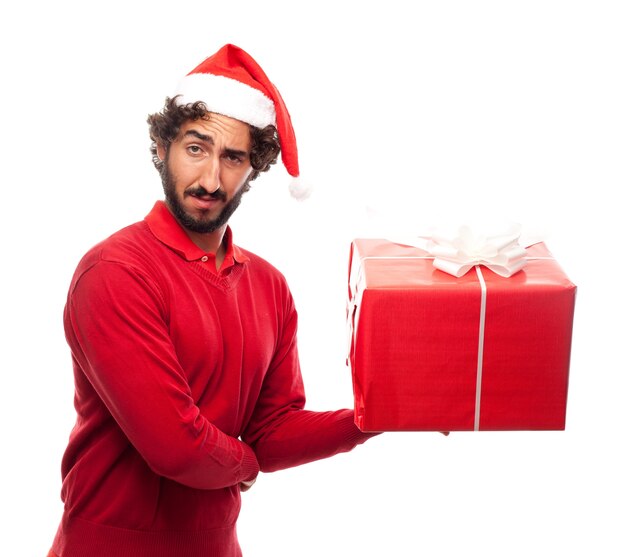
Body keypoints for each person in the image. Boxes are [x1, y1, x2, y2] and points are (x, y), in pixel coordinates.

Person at [48, 44, 377, 557]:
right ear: (162, 147)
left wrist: (376, 417)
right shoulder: (116, 273)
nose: (210, 179)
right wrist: (246, 463)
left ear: (254, 167)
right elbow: (174, 447)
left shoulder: (269, 286)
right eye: (196, 148)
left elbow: (271, 432)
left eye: (233, 157)